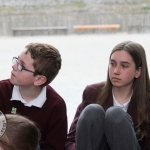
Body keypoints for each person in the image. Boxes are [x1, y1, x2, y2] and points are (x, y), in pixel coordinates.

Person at [65, 41, 150, 150]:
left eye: (124, 66)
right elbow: (71, 141)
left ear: (138, 72)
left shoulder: (147, 101)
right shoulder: (92, 93)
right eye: (112, 63)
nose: (115, 71)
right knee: (92, 110)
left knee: (115, 115)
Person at [0, 43, 67, 150]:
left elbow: (54, 146)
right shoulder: (2, 90)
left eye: (21, 65)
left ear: (39, 79)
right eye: (16, 60)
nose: (14, 66)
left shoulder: (56, 105)